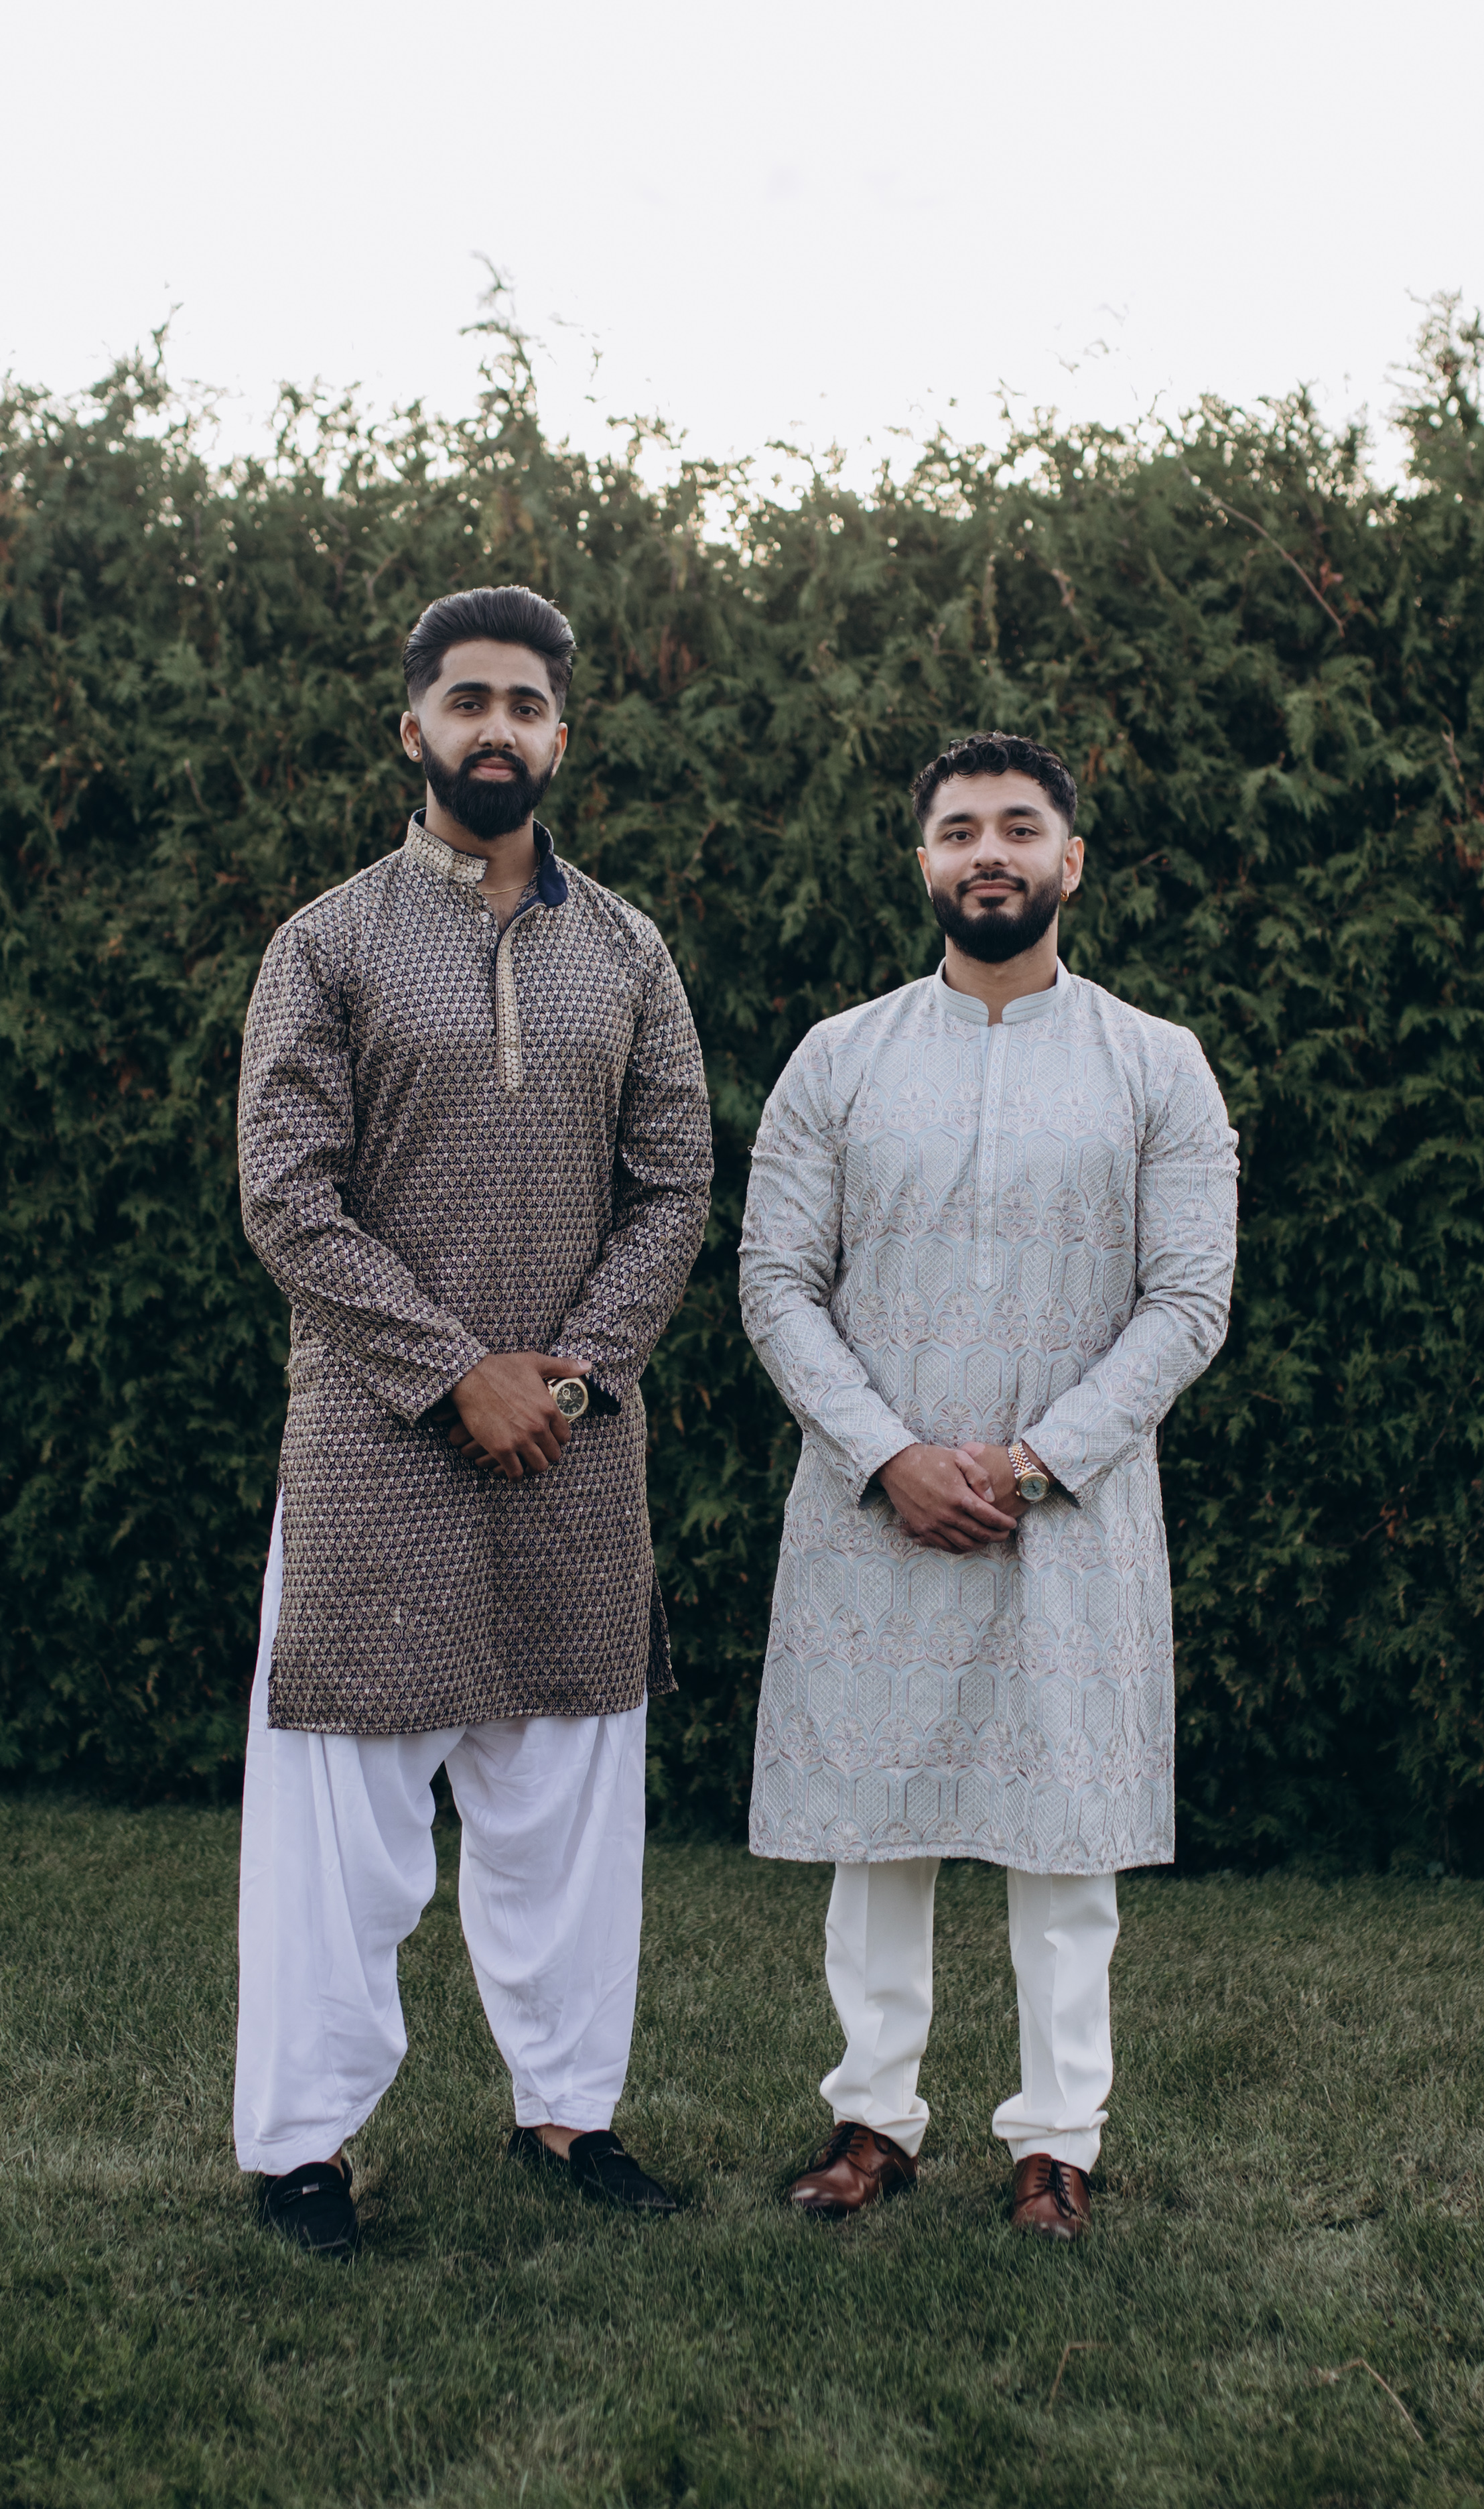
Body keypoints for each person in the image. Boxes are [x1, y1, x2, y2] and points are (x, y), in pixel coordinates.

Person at [234, 584, 712, 2254]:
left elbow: (675, 1187)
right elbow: (288, 1198)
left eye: (523, 704)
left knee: (568, 1806)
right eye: (467, 700)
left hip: (574, 1447)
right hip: (376, 1453)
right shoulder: (327, 943)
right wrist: (456, 1373)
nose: (494, 727)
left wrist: (566, 1376)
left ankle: (569, 2119)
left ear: (560, 738)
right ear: (414, 729)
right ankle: (302, 2149)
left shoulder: (630, 951)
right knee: (341, 1827)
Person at [739, 731, 1238, 2240]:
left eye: (1020, 828)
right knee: (877, 1833)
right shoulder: (839, 1057)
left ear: (1069, 862)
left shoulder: (1156, 1063)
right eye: (960, 830)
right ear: (925, 864)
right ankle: (873, 2121)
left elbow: (1189, 1300)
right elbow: (775, 1282)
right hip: (874, 1504)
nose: (989, 853)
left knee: (1064, 1845)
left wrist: (1035, 1460)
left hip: (1070, 1516)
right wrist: (889, 1456)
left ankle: (1057, 2142)